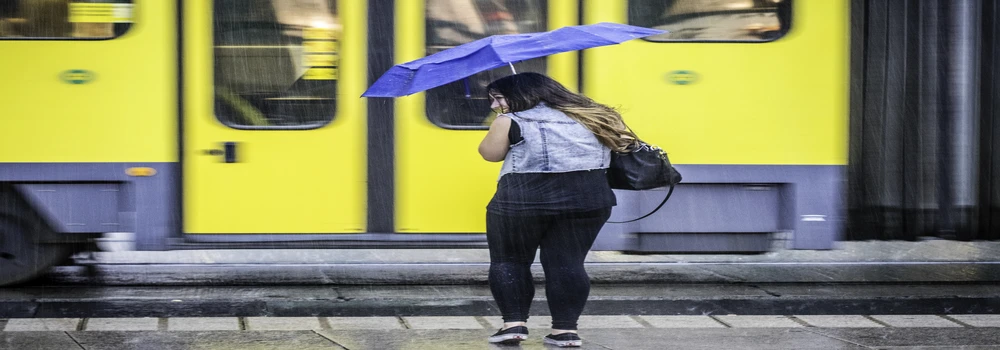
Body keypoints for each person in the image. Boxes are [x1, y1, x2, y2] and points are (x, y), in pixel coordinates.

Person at [477, 72, 638, 347]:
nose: (494, 106)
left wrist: (502, 125)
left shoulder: (509, 121)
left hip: (521, 202)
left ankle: (513, 326)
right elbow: (626, 145)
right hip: (587, 201)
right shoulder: (599, 116)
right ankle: (565, 331)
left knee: (510, 261)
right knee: (568, 263)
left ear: (525, 94)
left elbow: (490, 154)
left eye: (499, 98)